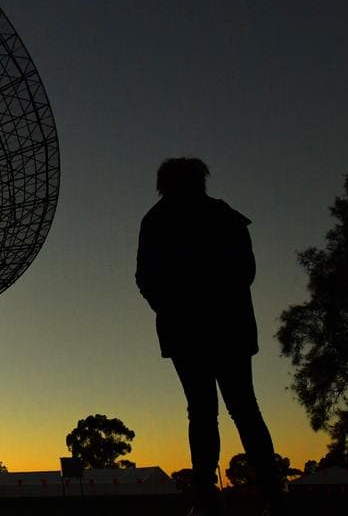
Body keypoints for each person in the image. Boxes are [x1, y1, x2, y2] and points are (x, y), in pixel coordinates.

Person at [135, 157, 284, 516]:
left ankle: (206, 499)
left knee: (204, 413)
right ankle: (272, 496)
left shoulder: (158, 221)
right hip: (225, 328)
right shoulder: (223, 216)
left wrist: (174, 308)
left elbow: (146, 279)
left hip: (193, 331)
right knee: (242, 409)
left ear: (163, 184)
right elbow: (245, 271)